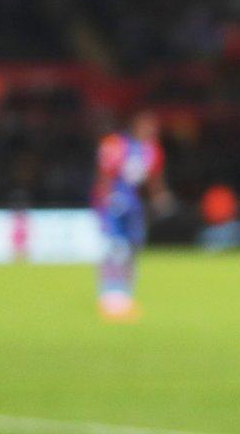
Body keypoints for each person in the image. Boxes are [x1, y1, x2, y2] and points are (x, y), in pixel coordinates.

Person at [93, 110, 168, 321]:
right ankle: (108, 295)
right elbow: (105, 175)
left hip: (134, 205)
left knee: (134, 248)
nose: (151, 130)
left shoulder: (152, 150)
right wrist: (104, 200)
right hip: (115, 202)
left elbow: (154, 178)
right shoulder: (116, 144)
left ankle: (126, 295)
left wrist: (160, 198)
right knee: (115, 248)